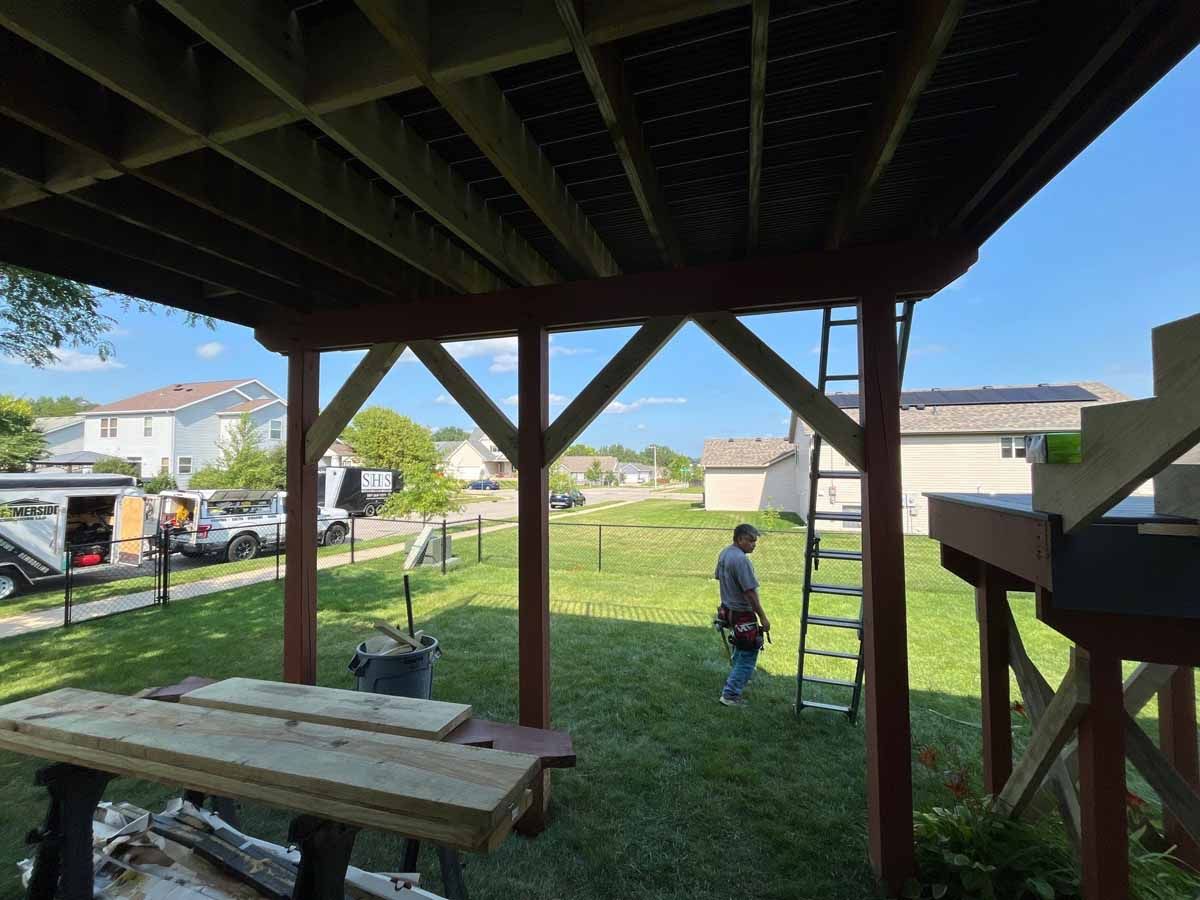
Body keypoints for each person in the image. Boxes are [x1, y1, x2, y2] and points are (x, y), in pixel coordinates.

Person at [714, 523, 770, 707]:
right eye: (750, 540)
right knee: (748, 654)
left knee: (740, 648)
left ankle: (739, 677)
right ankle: (730, 694)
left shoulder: (725, 553)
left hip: (729, 610)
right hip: (742, 614)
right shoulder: (741, 560)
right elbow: (750, 592)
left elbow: (719, 578)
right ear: (739, 539)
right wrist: (762, 617)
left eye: (755, 541)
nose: (754, 544)